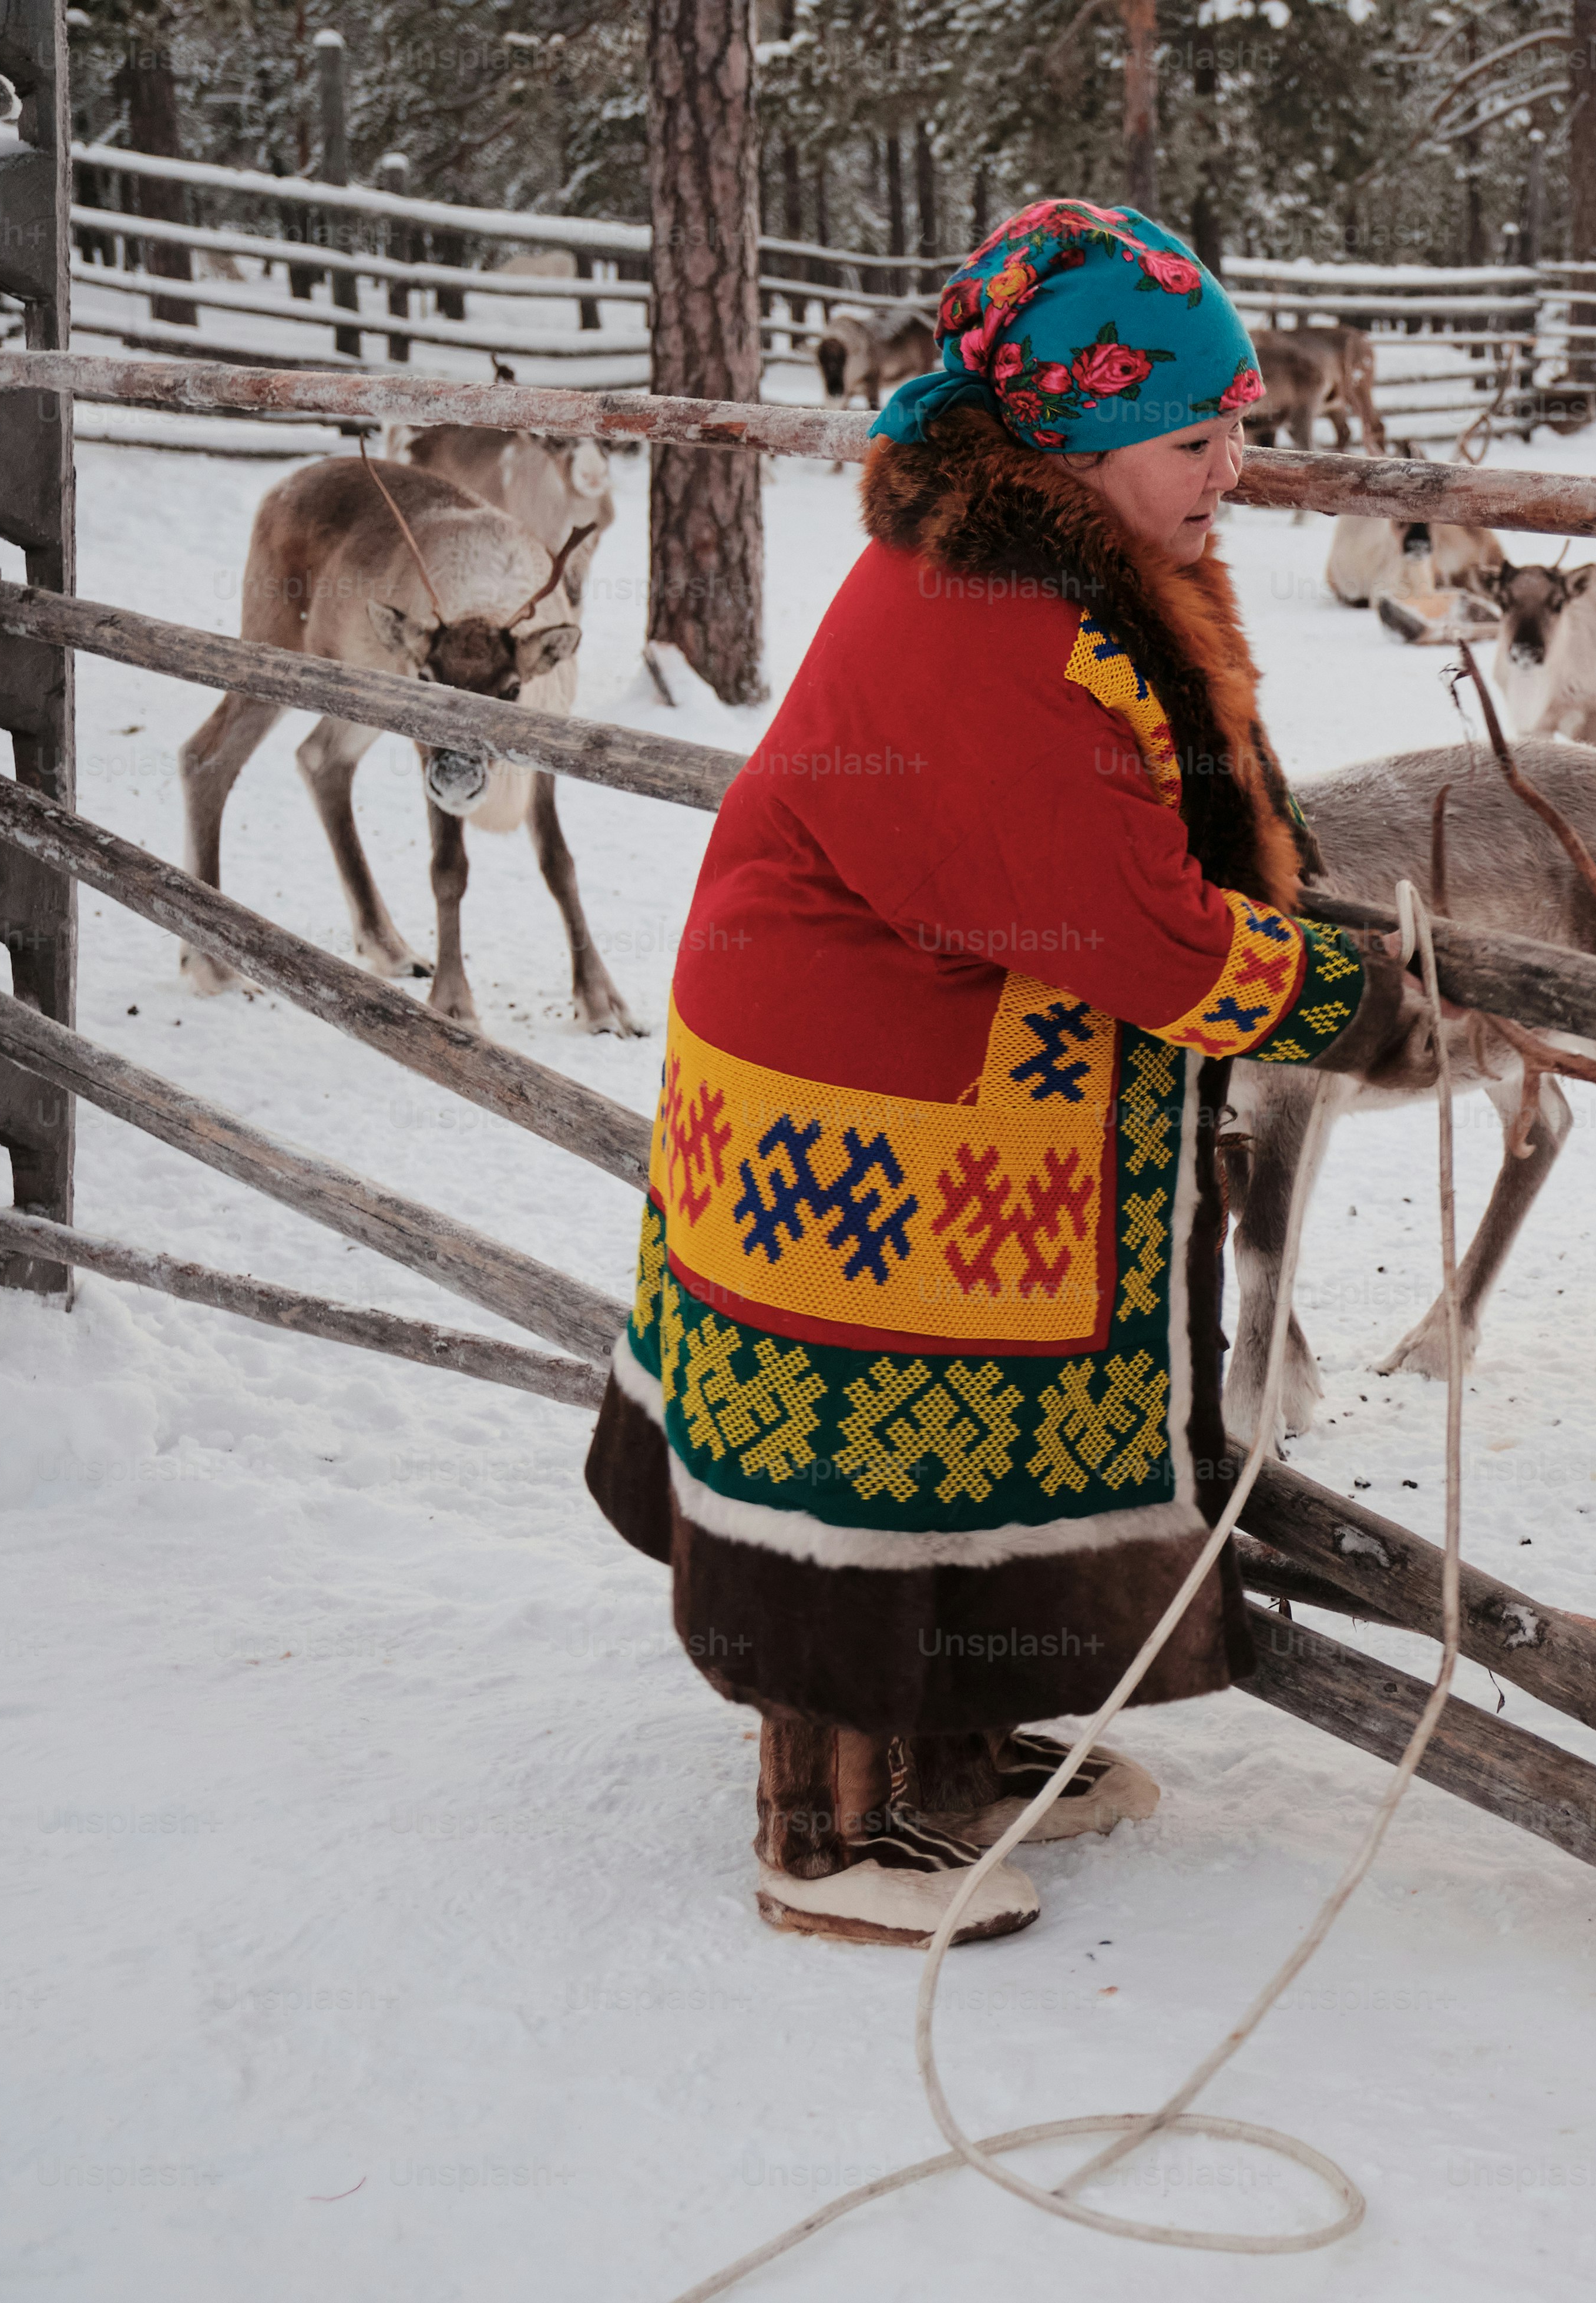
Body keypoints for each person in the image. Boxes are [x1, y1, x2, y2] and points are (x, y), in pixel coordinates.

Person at [585, 196, 1423, 1946]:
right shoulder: (1002, 632)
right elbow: (1140, 935)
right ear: (1080, 433)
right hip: (865, 1090)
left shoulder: (1040, 563)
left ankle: (949, 1753)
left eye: (1242, 429)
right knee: (859, 1460)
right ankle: (827, 1838)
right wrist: (1354, 999)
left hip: (918, 1071)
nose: (1235, 468)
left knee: (936, 1458)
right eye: (1198, 436)